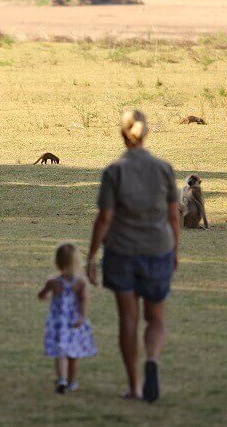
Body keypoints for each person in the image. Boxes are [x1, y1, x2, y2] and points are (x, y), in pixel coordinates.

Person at [86, 109, 180, 403]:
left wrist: (90, 257)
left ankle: (135, 386)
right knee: (156, 318)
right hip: (158, 249)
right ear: (145, 133)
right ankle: (152, 358)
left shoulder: (114, 171)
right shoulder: (164, 168)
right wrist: (174, 251)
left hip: (122, 252)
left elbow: (104, 219)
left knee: (128, 318)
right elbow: (174, 216)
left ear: (123, 134)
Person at [38, 243, 98, 394]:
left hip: (58, 322)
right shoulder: (80, 282)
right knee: (73, 354)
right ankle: (72, 381)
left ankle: (62, 379)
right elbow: (84, 300)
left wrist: (46, 295)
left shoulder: (53, 282)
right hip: (75, 322)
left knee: (61, 352)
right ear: (77, 261)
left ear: (57, 261)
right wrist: (83, 316)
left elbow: (42, 295)